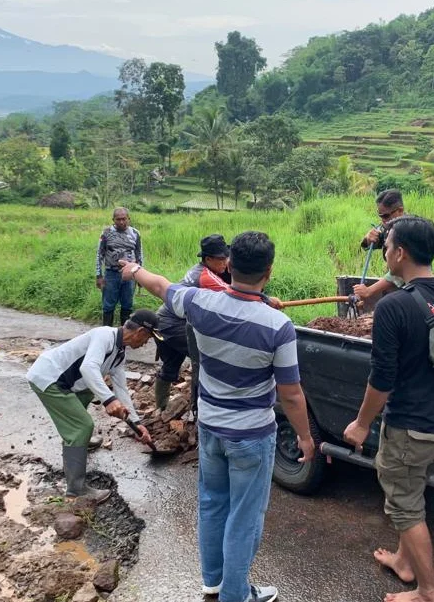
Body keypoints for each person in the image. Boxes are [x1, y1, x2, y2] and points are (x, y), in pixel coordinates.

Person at [119, 231, 314, 602]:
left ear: (230, 265)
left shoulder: (200, 303)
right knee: (244, 515)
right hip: (252, 436)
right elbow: (290, 393)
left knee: (211, 503)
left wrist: (134, 269)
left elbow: (160, 286)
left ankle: (214, 583)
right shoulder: (277, 326)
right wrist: (305, 437)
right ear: (268, 272)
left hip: (210, 427)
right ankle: (236, 595)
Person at [343, 216, 434, 602]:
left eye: (387, 248)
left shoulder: (393, 308)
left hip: (411, 429)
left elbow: (382, 378)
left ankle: (428, 592)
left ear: (400, 253)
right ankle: (404, 560)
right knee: (413, 491)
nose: (384, 254)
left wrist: (361, 423)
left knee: (404, 506)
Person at [27, 310, 161, 502]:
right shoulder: (104, 335)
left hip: (68, 382)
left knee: (91, 390)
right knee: (82, 426)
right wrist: (108, 400)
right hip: (49, 378)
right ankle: (77, 490)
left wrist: (137, 423)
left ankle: (78, 441)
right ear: (140, 331)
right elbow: (88, 367)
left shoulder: (119, 353)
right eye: (148, 338)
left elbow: (121, 389)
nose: (146, 343)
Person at [153, 234, 232, 412]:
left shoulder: (200, 270)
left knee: (171, 364)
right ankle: (198, 408)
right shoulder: (206, 277)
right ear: (208, 259)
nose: (225, 263)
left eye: (226, 258)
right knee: (203, 359)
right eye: (221, 259)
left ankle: (161, 408)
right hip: (172, 323)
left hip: (164, 320)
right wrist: (264, 300)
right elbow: (234, 296)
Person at [352, 189, 407, 306]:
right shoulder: (390, 227)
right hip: (394, 291)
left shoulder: (408, 232)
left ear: (400, 211)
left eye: (386, 216)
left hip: (409, 292)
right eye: (380, 216)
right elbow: (370, 244)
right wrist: (368, 238)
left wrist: (369, 291)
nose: (383, 220)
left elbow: (399, 274)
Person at [96, 207, 143, 328]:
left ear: (129, 219)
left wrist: (140, 275)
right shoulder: (106, 233)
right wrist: (99, 275)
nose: (122, 222)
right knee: (108, 306)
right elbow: (99, 254)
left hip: (130, 275)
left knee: (127, 305)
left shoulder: (135, 233)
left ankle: (124, 336)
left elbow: (139, 255)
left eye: (124, 219)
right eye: (118, 219)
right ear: (113, 220)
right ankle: (106, 335)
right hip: (111, 274)